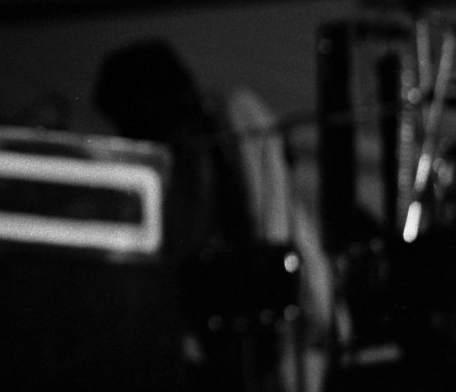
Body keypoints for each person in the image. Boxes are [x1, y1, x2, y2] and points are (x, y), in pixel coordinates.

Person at [94, 39, 337, 392]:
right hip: (236, 322)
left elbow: (268, 216)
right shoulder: (186, 148)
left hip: (269, 316)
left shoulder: (231, 117)